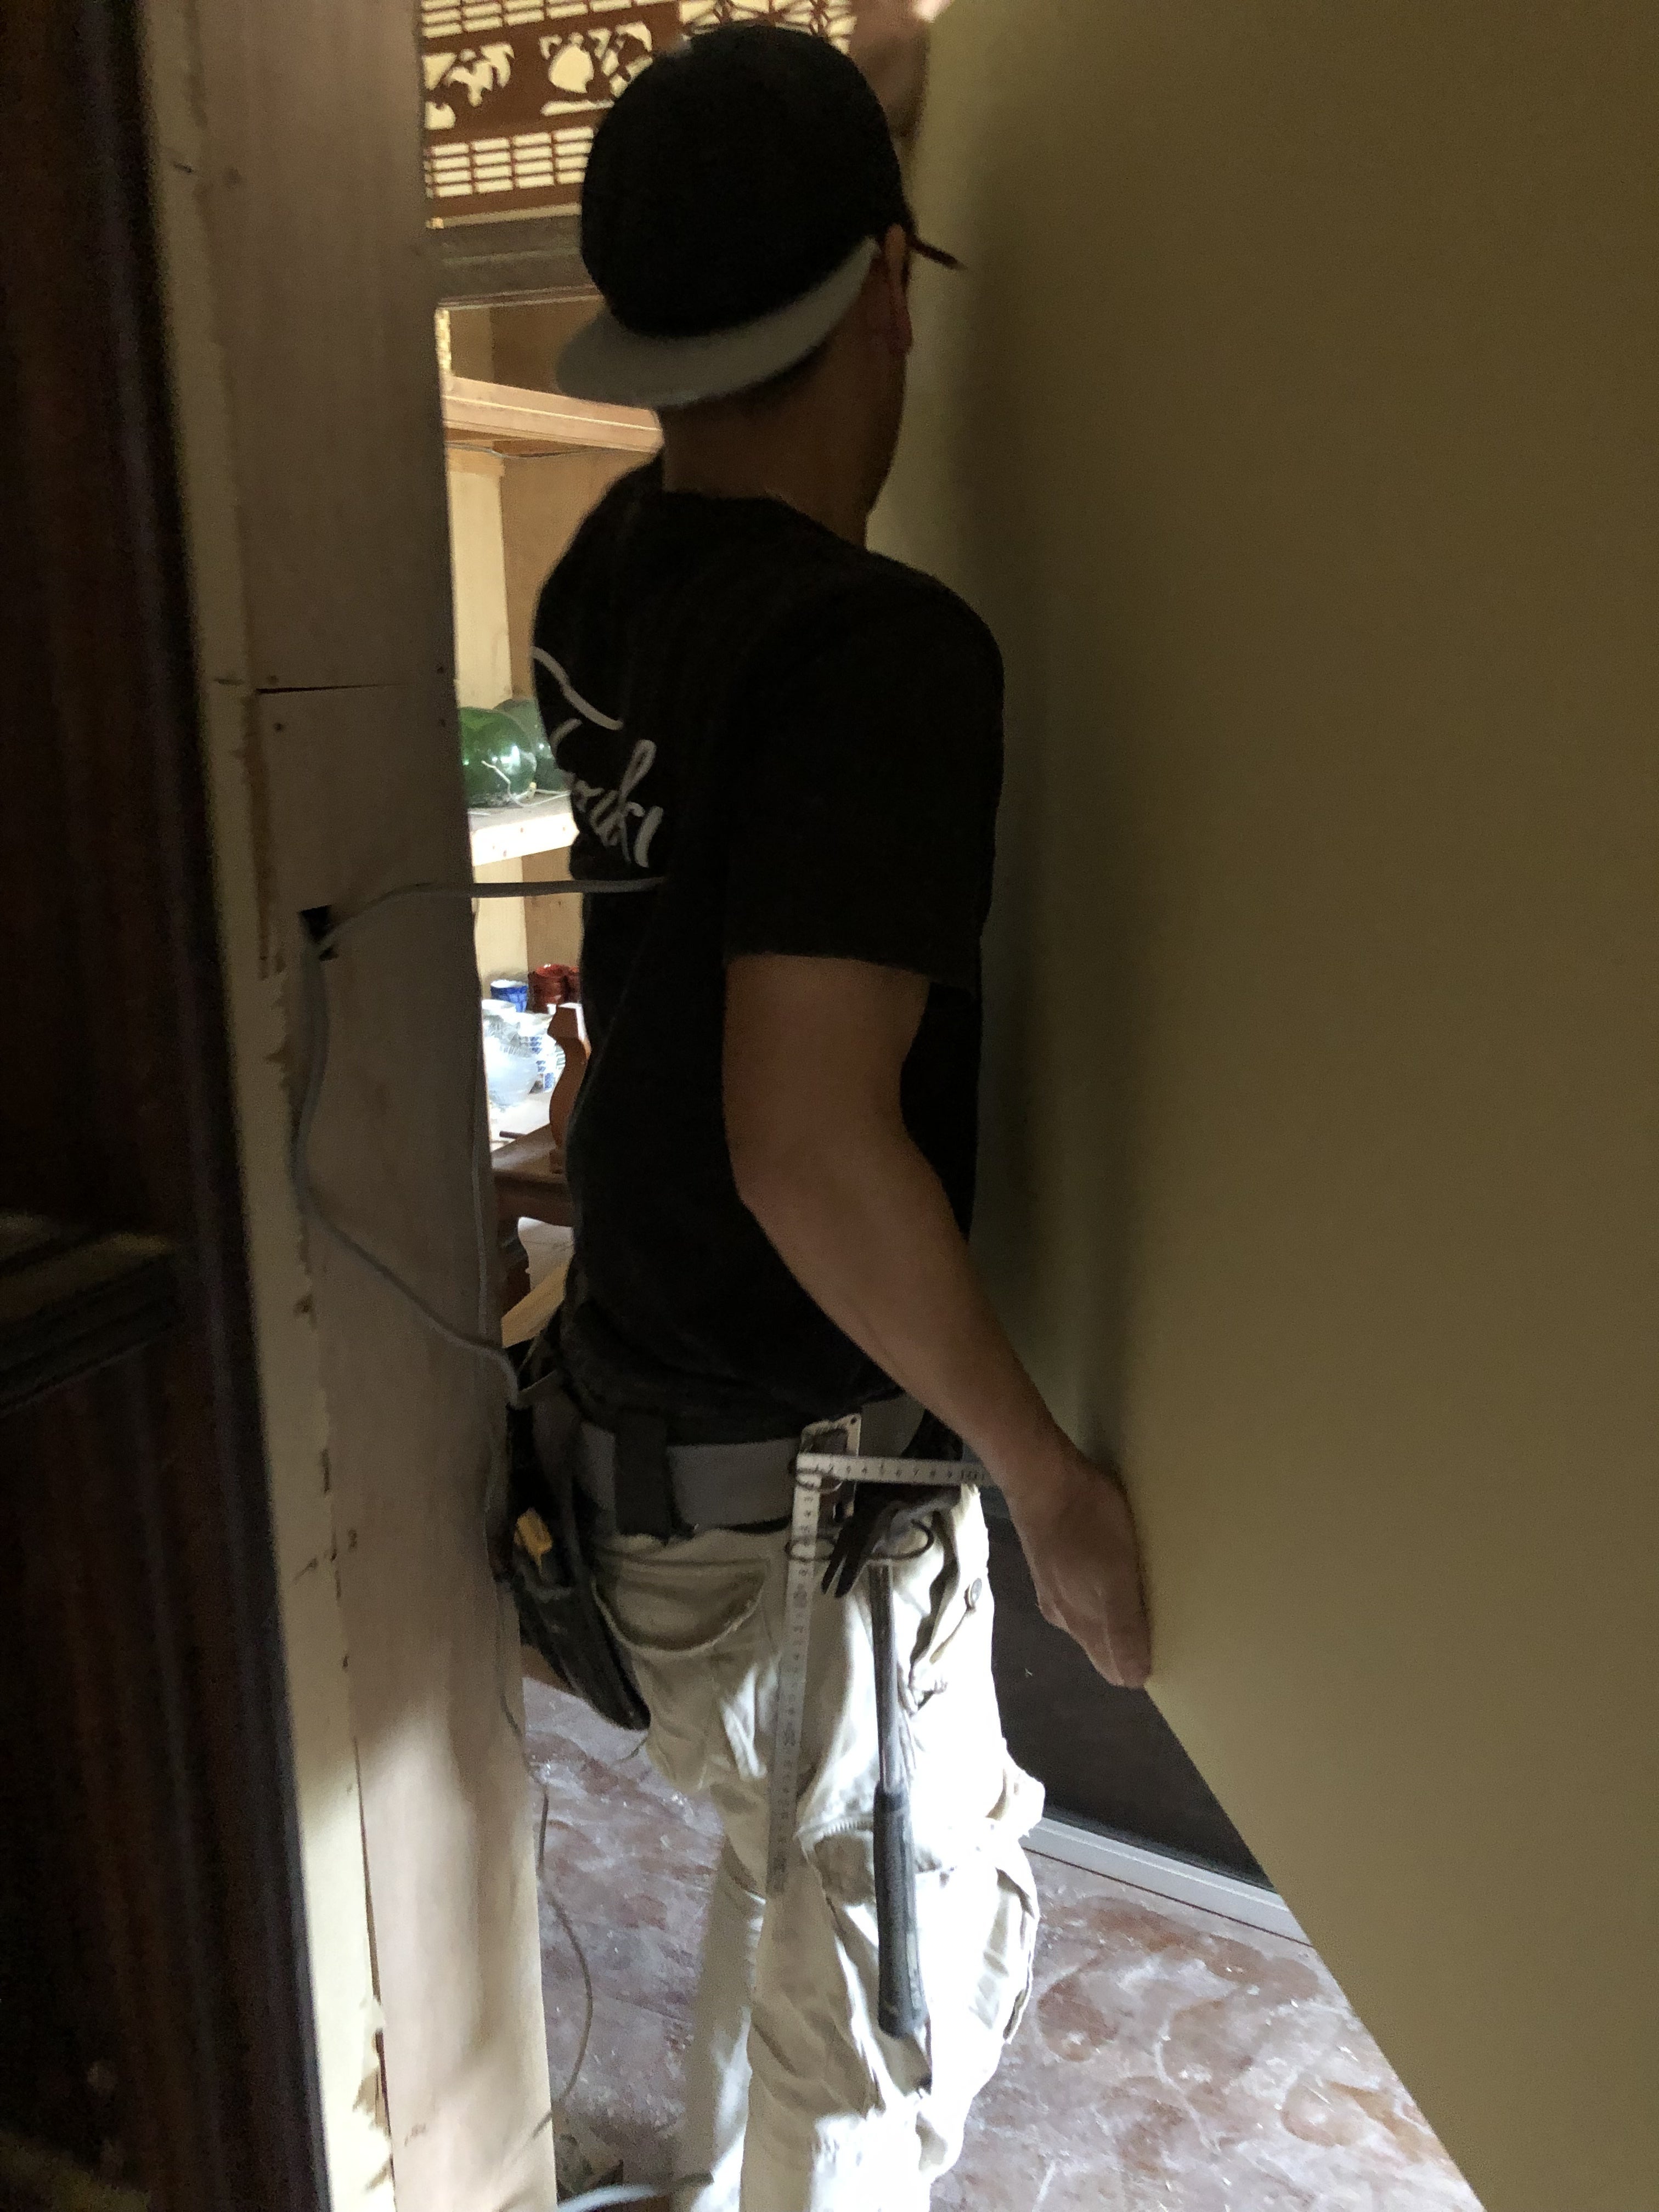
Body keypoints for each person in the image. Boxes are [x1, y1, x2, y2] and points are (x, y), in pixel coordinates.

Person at [528, 10, 1150, 2206]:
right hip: (808, 1519)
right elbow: (807, 1142)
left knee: (787, 1900)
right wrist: (1046, 1478)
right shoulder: (879, 656)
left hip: (643, 1476)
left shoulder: (606, 585)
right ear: (890, 287)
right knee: (889, 2020)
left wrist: (830, 148)